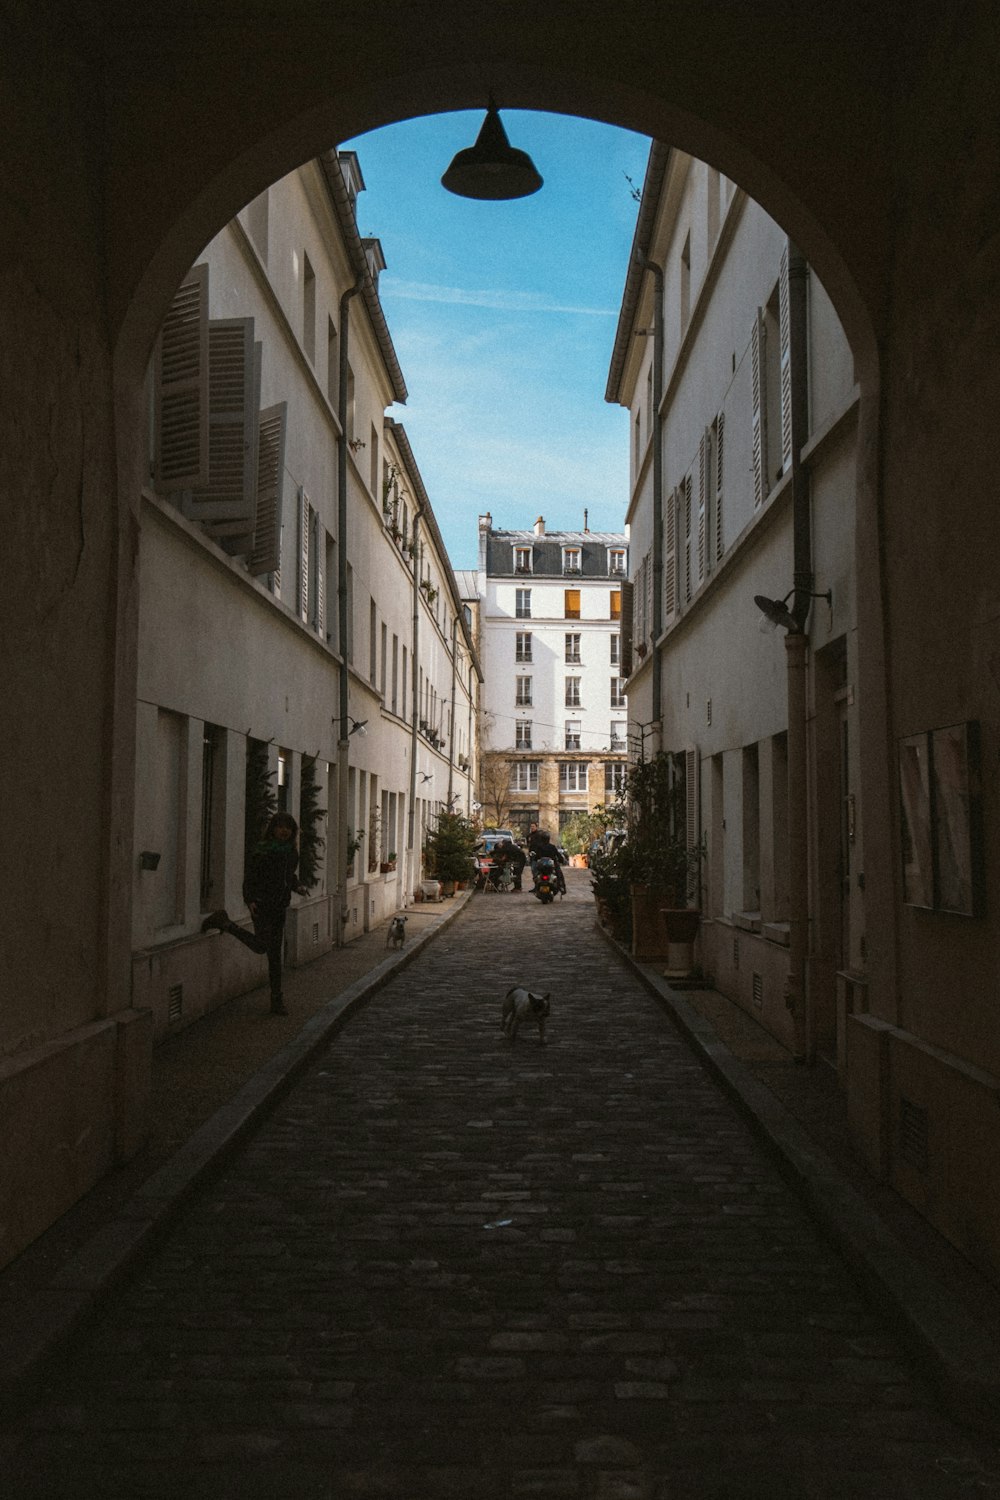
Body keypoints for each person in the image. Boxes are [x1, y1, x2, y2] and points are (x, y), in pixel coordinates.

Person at [201, 810, 306, 1014]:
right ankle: (226, 924)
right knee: (261, 946)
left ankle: (277, 1001)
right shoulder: (263, 851)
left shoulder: (291, 853)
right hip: (263, 904)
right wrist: (249, 899)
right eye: (279, 826)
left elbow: (288, 876)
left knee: (274, 955)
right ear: (273, 829)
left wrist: (297, 886)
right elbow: (251, 877)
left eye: (287, 827)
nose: (283, 831)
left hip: (279, 906)